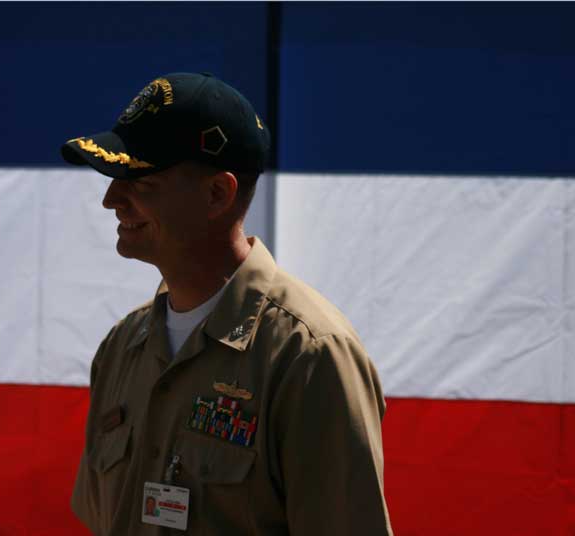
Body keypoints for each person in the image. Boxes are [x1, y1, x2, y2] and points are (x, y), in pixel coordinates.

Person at [61, 72, 393, 535]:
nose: (111, 200)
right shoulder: (122, 346)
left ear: (217, 194)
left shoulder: (309, 354)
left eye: (141, 183)